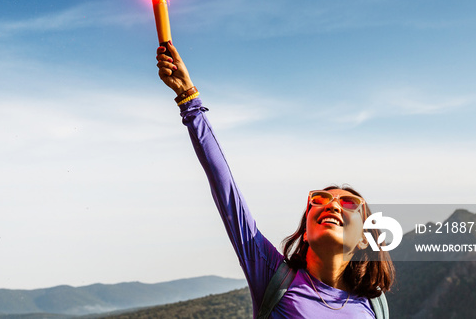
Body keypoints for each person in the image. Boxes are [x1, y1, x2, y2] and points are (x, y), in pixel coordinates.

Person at [156, 42, 395, 318]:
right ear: (306, 230)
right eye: (319, 199)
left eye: (350, 203)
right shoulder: (273, 277)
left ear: (365, 239)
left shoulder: (373, 305)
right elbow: (226, 192)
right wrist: (189, 98)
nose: (333, 205)